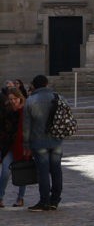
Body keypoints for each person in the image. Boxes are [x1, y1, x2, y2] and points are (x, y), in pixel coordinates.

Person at [22, 75, 65, 212]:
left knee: (43, 172)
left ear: (34, 85)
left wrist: (26, 145)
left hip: (38, 141)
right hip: (56, 140)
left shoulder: (30, 100)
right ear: (46, 83)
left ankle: (44, 201)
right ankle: (55, 200)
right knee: (56, 170)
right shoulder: (58, 97)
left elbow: (26, 126)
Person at [0, 88, 28, 208]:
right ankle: (0, 197)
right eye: (10, 99)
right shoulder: (6, 111)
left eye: (15, 99)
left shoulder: (25, 110)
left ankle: (20, 198)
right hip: (9, 146)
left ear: (20, 98)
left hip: (22, 145)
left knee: (22, 172)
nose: (13, 101)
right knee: (5, 171)